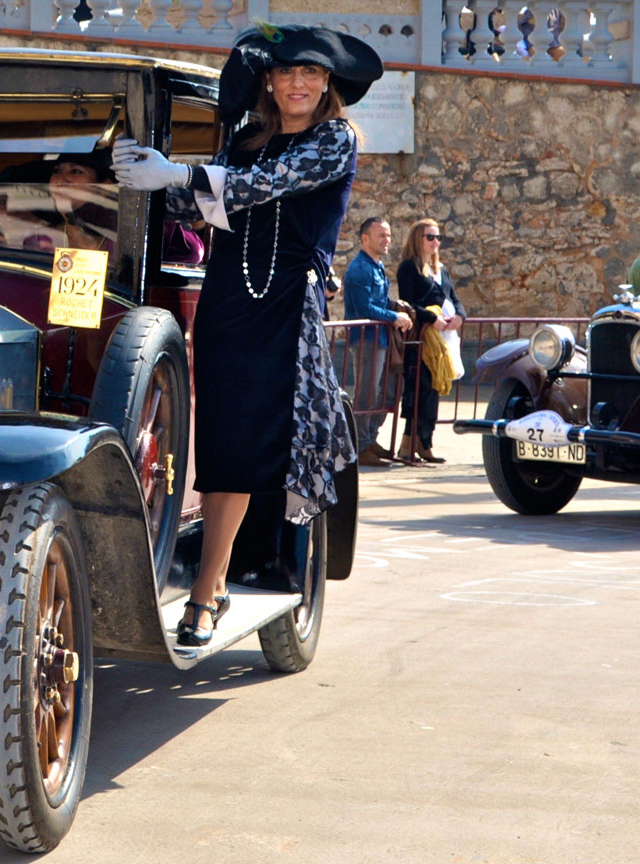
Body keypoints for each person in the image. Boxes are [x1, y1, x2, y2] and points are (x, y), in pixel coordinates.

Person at [112, 24, 380, 646]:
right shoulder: (244, 139)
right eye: (287, 72)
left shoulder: (334, 139)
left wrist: (176, 174)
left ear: (328, 83)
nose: (299, 83)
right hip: (229, 300)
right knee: (227, 440)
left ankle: (214, 589)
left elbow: (269, 185)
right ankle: (215, 582)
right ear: (269, 79)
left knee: (275, 442)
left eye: (311, 73)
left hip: (288, 307)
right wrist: (126, 168)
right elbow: (195, 208)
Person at [340, 216, 411, 466]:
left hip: (379, 338)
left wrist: (394, 310)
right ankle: (360, 445)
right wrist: (395, 316)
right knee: (368, 393)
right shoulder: (360, 269)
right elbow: (363, 307)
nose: (387, 240)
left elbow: (377, 302)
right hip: (366, 339)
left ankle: (369, 439)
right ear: (365, 238)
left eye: (389, 235)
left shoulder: (376, 266)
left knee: (383, 392)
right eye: (381, 235)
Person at [396, 218, 463, 466]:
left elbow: (455, 299)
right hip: (421, 338)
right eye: (430, 237)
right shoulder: (408, 268)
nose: (435, 242)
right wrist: (431, 317)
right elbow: (408, 302)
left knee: (433, 390)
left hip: (441, 339)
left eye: (438, 237)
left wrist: (459, 317)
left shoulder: (441, 270)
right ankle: (412, 444)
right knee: (418, 390)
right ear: (418, 239)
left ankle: (424, 443)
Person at [2, 150, 117, 253]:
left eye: (76, 172)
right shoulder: (40, 241)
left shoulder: (120, 241)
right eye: (57, 171)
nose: (60, 180)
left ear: (104, 187)